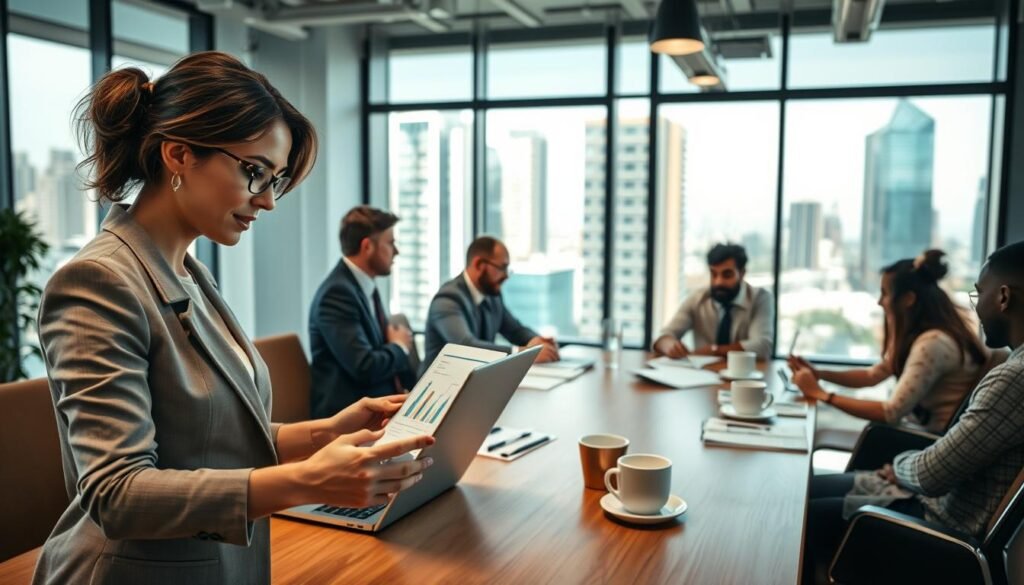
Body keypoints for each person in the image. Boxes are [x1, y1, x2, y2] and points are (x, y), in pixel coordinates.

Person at [33, 52, 433, 585]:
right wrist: (306, 482)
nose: (267, 200)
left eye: (275, 179)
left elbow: (206, 436)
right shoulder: (97, 282)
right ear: (178, 155)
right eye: (255, 172)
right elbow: (117, 494)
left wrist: (324, 433)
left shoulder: (191, 274)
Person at [802, 241, 1024, 584]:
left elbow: (931, 475)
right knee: (802, 492)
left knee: (799, 514)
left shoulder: (1014, 378)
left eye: (979, 294)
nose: (976, 307)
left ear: (1004, 297)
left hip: (932, 525)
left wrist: (900, 466)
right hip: (930, 498)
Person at [789, 250, 988, 434]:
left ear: (908, 299)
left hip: (923, 442)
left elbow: (890, 412)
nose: (879, 301)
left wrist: (821, 394)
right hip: (917, 435)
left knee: (824, 428)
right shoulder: (926, 336)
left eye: (885, 293)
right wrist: (819, 374)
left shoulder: (932, 344)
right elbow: (871, 375)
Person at [309, 206, 418, 418]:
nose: (397, 251)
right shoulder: (336, 294)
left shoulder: (365, 286)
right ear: (367, 246)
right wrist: (399, 346)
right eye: (391, 243)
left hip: (377, 405)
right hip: (348, 418)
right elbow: (365, 366)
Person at [422, 236, 559, 372]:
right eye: (502, 267)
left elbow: (515, 330)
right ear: (479, 265)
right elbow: (466, 346)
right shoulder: (447, 299)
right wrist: (525, 353)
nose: (506, 276)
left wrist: (539, 343)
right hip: (440, 388)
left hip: (475, 383)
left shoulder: (492, 297)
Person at [652, 243, 774, 360]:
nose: (718, 282)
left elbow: (762, 346)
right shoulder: (698, 298)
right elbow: (663, 337)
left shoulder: (760, 298)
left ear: (742, 274)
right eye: (713, 274)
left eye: (727, 275)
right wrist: (669, 346)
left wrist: (715, 350)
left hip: (745, 378)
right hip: (703, 374)